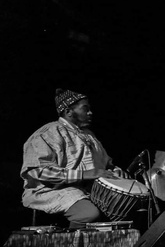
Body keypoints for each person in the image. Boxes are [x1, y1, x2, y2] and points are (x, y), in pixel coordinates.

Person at [21, 88, 125, 228]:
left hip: (87, 192)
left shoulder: (89, 135)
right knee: (88, 213)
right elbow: (38, 171)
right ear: (68, 111)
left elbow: (107, 164)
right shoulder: (48, 133)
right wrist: (84, 174)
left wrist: (115, 171)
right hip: (53, 191)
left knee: (125, 209)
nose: (90, 112)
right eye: (85, 109)